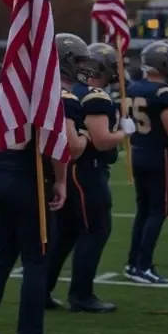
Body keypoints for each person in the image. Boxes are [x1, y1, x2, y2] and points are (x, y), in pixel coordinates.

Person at [0, 65, 70, 334]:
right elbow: (55, 143)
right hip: (29, 181)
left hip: (1, 175)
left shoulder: (4, 93)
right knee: (36, 259)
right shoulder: (46, 96)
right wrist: (61, 181)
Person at [46, 38, 132, 313]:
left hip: (71, 170)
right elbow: (101, 139)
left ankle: (43, 289)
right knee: (95, 229)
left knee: (66, 233)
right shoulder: (94, 96)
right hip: (86, 170)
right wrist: (124, 133)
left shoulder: (74, 91)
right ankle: (81, 294)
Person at [125, 42, 168, 283]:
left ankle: (133, 263)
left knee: (143, 210)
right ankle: (143, 265)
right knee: (158, 210)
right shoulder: (163, 92)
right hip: (155, 154)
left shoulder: (134, 88)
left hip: (136, 151)